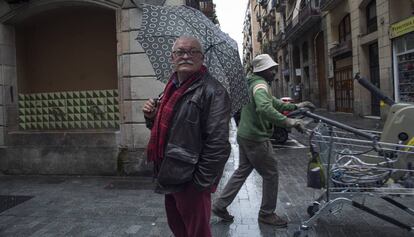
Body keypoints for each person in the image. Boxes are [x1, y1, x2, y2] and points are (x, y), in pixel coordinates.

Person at [142, 35, 231, 237]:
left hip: (192, 180)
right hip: (169, 171)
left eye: (193, 52)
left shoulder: (213, 91)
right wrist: (151, 117)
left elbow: (218, 145)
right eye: (180, 52)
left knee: (197, 233)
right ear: (172, 58)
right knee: (179, 229)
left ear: (202, 58)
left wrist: (199, 184)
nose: (186, 56)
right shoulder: (170, 90)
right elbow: (171, 131)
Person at [212, 54, 315, 227]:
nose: (274, 72)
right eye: (272, 69)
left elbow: (273, 102)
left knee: (242, 171)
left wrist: (295, 106)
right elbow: (264, 107)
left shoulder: (252, 82)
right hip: (256, 137)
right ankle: (267, 213)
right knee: (271, 173)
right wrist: (290, 121)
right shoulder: (260, 85)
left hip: (245, 134)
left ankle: (220, 205)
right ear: (264, 70)